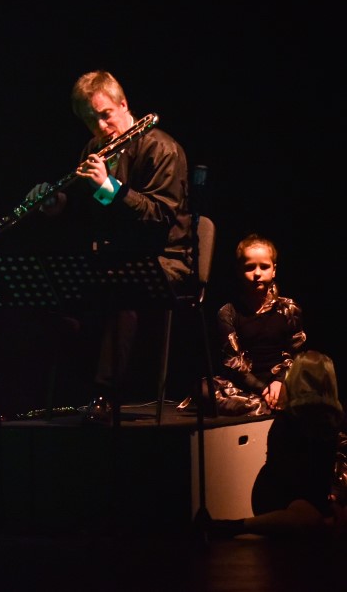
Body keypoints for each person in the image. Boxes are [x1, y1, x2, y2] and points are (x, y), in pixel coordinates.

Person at [23, 70, 195, 420]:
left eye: (106, 115)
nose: (100, 127)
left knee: (120, 289)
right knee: (55, 288)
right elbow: (84, 208)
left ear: (124, 104)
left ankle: (105, 396)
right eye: (91, 120)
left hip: (164, 259)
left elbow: (160, 217)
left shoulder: (162, 148)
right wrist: (57, 204)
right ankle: (63, 395)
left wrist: (111, 188)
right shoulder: (94, 149)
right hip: (116, 258)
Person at [209, 350, 346, 539]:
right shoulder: (289, 419)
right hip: (279, 494)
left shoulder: (334, 419)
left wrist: (333, 500)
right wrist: (320, 507)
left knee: (324, 516)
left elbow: (325, 470)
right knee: (308, 515)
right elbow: (285, 473)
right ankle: (234, 527)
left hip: (312, 495)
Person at [195, 233, 307, 416]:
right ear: (239, 271)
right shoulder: (228, 312)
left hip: (281, 383)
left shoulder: (289, 308)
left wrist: (280, 381)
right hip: (246, 386)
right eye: (249, 267)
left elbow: (297, 352)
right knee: (205, 389)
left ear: (274, 270)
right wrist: (262, 389)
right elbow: (233, 362)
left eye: (264, 267)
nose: (257, 273)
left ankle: (273, 404)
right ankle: (269, 406)